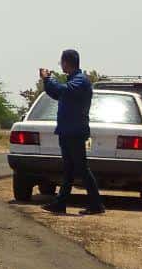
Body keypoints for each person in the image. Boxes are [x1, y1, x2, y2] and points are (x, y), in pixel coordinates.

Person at [40, 49, 104, 215]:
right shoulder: (73, 81)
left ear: (67, 62)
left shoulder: (80, 81)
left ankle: (96, 205)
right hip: (67, 130)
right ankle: (61, 203)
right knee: (68, 169)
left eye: (61, 62)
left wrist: (49, 78)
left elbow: (63, 91)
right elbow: (56, 92)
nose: (60, 65)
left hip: (74, 131)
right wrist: (47, 81)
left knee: (81, 168)